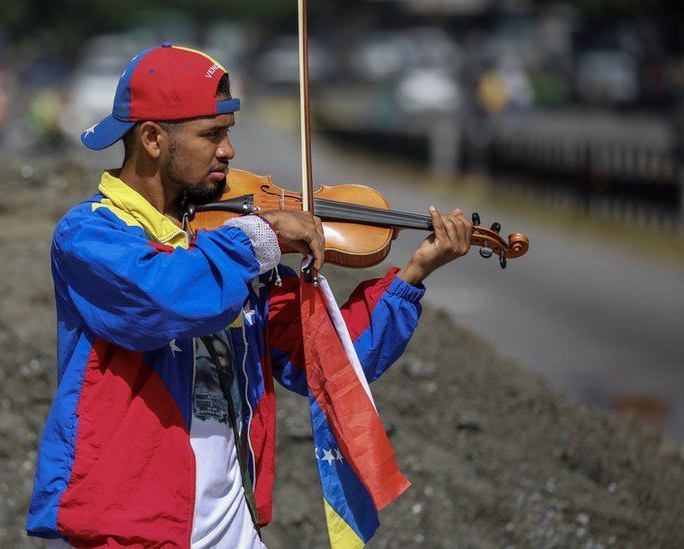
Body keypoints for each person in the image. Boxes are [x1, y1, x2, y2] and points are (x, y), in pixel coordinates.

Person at [25, 44, 474, 548]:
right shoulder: (90, 235)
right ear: (152, 138)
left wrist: (412, 275)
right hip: (125, 532)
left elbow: (328, 362)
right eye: (212, 135)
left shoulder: (228, 246)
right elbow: (165, 301)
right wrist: (257, 240)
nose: (229, 152)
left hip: (234, 531)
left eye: (228, 133)